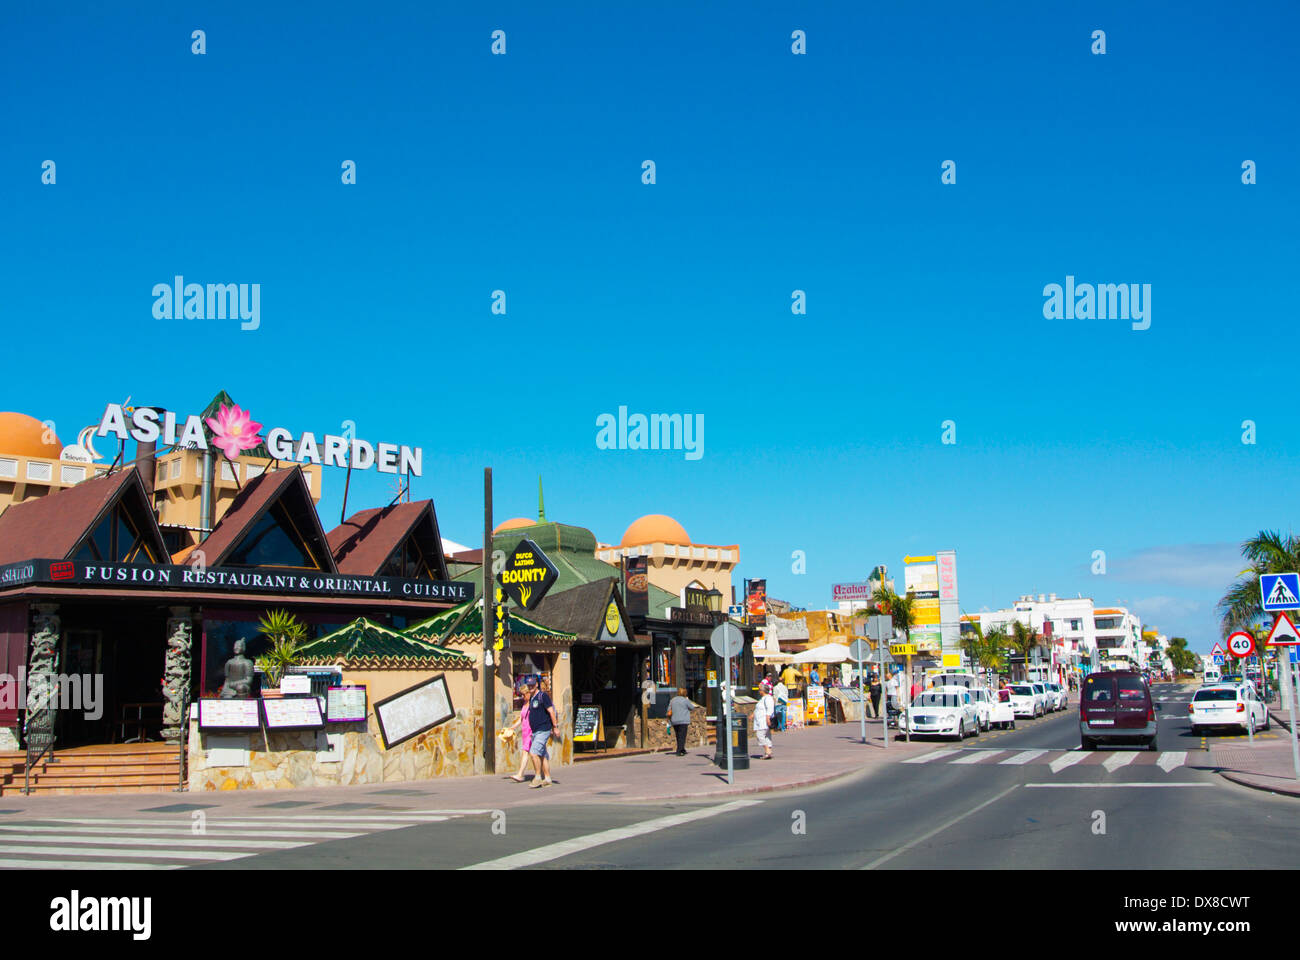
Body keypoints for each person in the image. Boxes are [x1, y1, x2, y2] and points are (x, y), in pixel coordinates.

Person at [527, 676, 559, 788]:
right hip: (535, 731)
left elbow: (551, 711)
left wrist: (555, 727)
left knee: (533, 753)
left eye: (532, 684)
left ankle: (537, 777)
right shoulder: (532, 698)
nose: (530, 687)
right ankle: (548, 778)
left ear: (536, 684)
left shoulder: (543, 696)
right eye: (529, 685)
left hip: (543, 729)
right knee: (542, 755)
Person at [507, 679, 536, 781]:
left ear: (529, 693)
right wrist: (513, 727)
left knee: (526, 752)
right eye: (522, 695)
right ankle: (541, 773)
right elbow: (521, 718)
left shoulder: (533, 704)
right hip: (525, 731)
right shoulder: (525, 705)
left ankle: (520, 774)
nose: (523, 697)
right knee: (534, 753)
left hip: (531, 731)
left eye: (524, 694)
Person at [667, 687, 693, 755]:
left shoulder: (672, 700)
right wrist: (688, 700)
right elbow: (692, 707)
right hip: (683, 720)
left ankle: (682, 749)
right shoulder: (685, 700)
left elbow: (669, 709)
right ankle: (679, 750)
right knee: (682, 736)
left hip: (675, 720)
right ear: (684, 693)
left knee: (678, 735)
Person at [753, 681, 775, 759]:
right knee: (767, 736)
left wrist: (768, 718)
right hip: (761, 720)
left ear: (763, 691)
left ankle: (767, 750)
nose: (759, 691)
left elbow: (770, 709)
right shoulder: (763, 698)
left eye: (760, 690)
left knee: (760, 735)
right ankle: (767, 753)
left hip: (764, 721)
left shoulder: (768, 698)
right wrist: (753, 714)